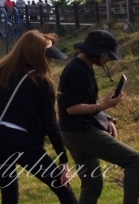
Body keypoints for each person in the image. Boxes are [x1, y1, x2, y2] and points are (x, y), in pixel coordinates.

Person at [0, 30, 77, 203]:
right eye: (47, 55)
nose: (49, 60)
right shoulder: (40, 81)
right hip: (21, 142)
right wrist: (63, 159)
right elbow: (51, 124)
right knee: (62, 187)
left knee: (9, 195)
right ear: (37, 55)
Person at [58, 29, 139, 204]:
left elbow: (88, 100)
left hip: (72, 131)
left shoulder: (84, 67)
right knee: (135, 161)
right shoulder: (78, 71)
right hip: (80, 131)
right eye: (107, 55)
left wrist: (107, 117)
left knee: (92, 184)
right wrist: (103, 106)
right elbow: (71, 109)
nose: (109, 59)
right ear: (96, 52)